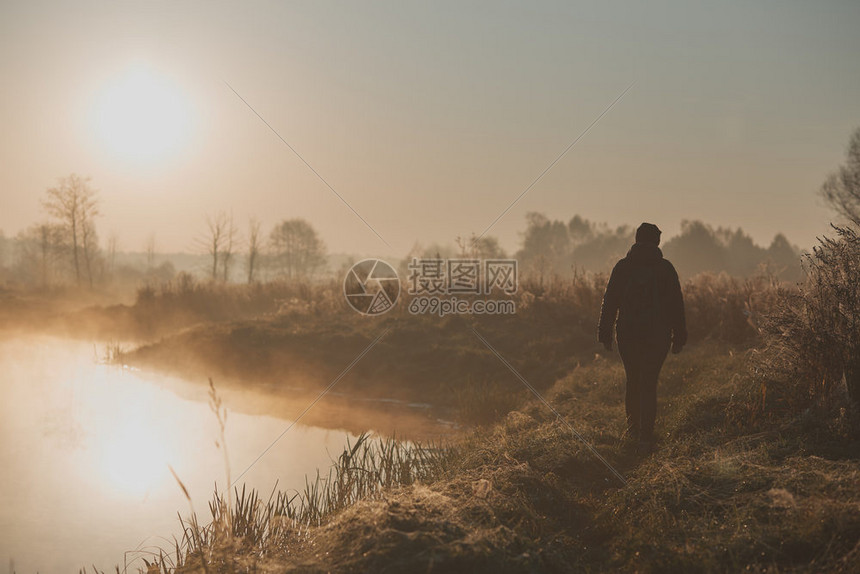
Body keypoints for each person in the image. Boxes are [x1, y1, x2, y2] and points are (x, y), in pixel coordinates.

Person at [597, 222, 687, 454]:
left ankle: (633, 431)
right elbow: (676, 304)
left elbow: (610, 302)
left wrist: (605, 333)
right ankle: (645, 437)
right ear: (657, 242)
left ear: (636, 240)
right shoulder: (665, 268)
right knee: (649, 383)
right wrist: (680, 335)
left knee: (633, 381)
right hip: (657, 336)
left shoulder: (623, 267)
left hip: (628, 333)